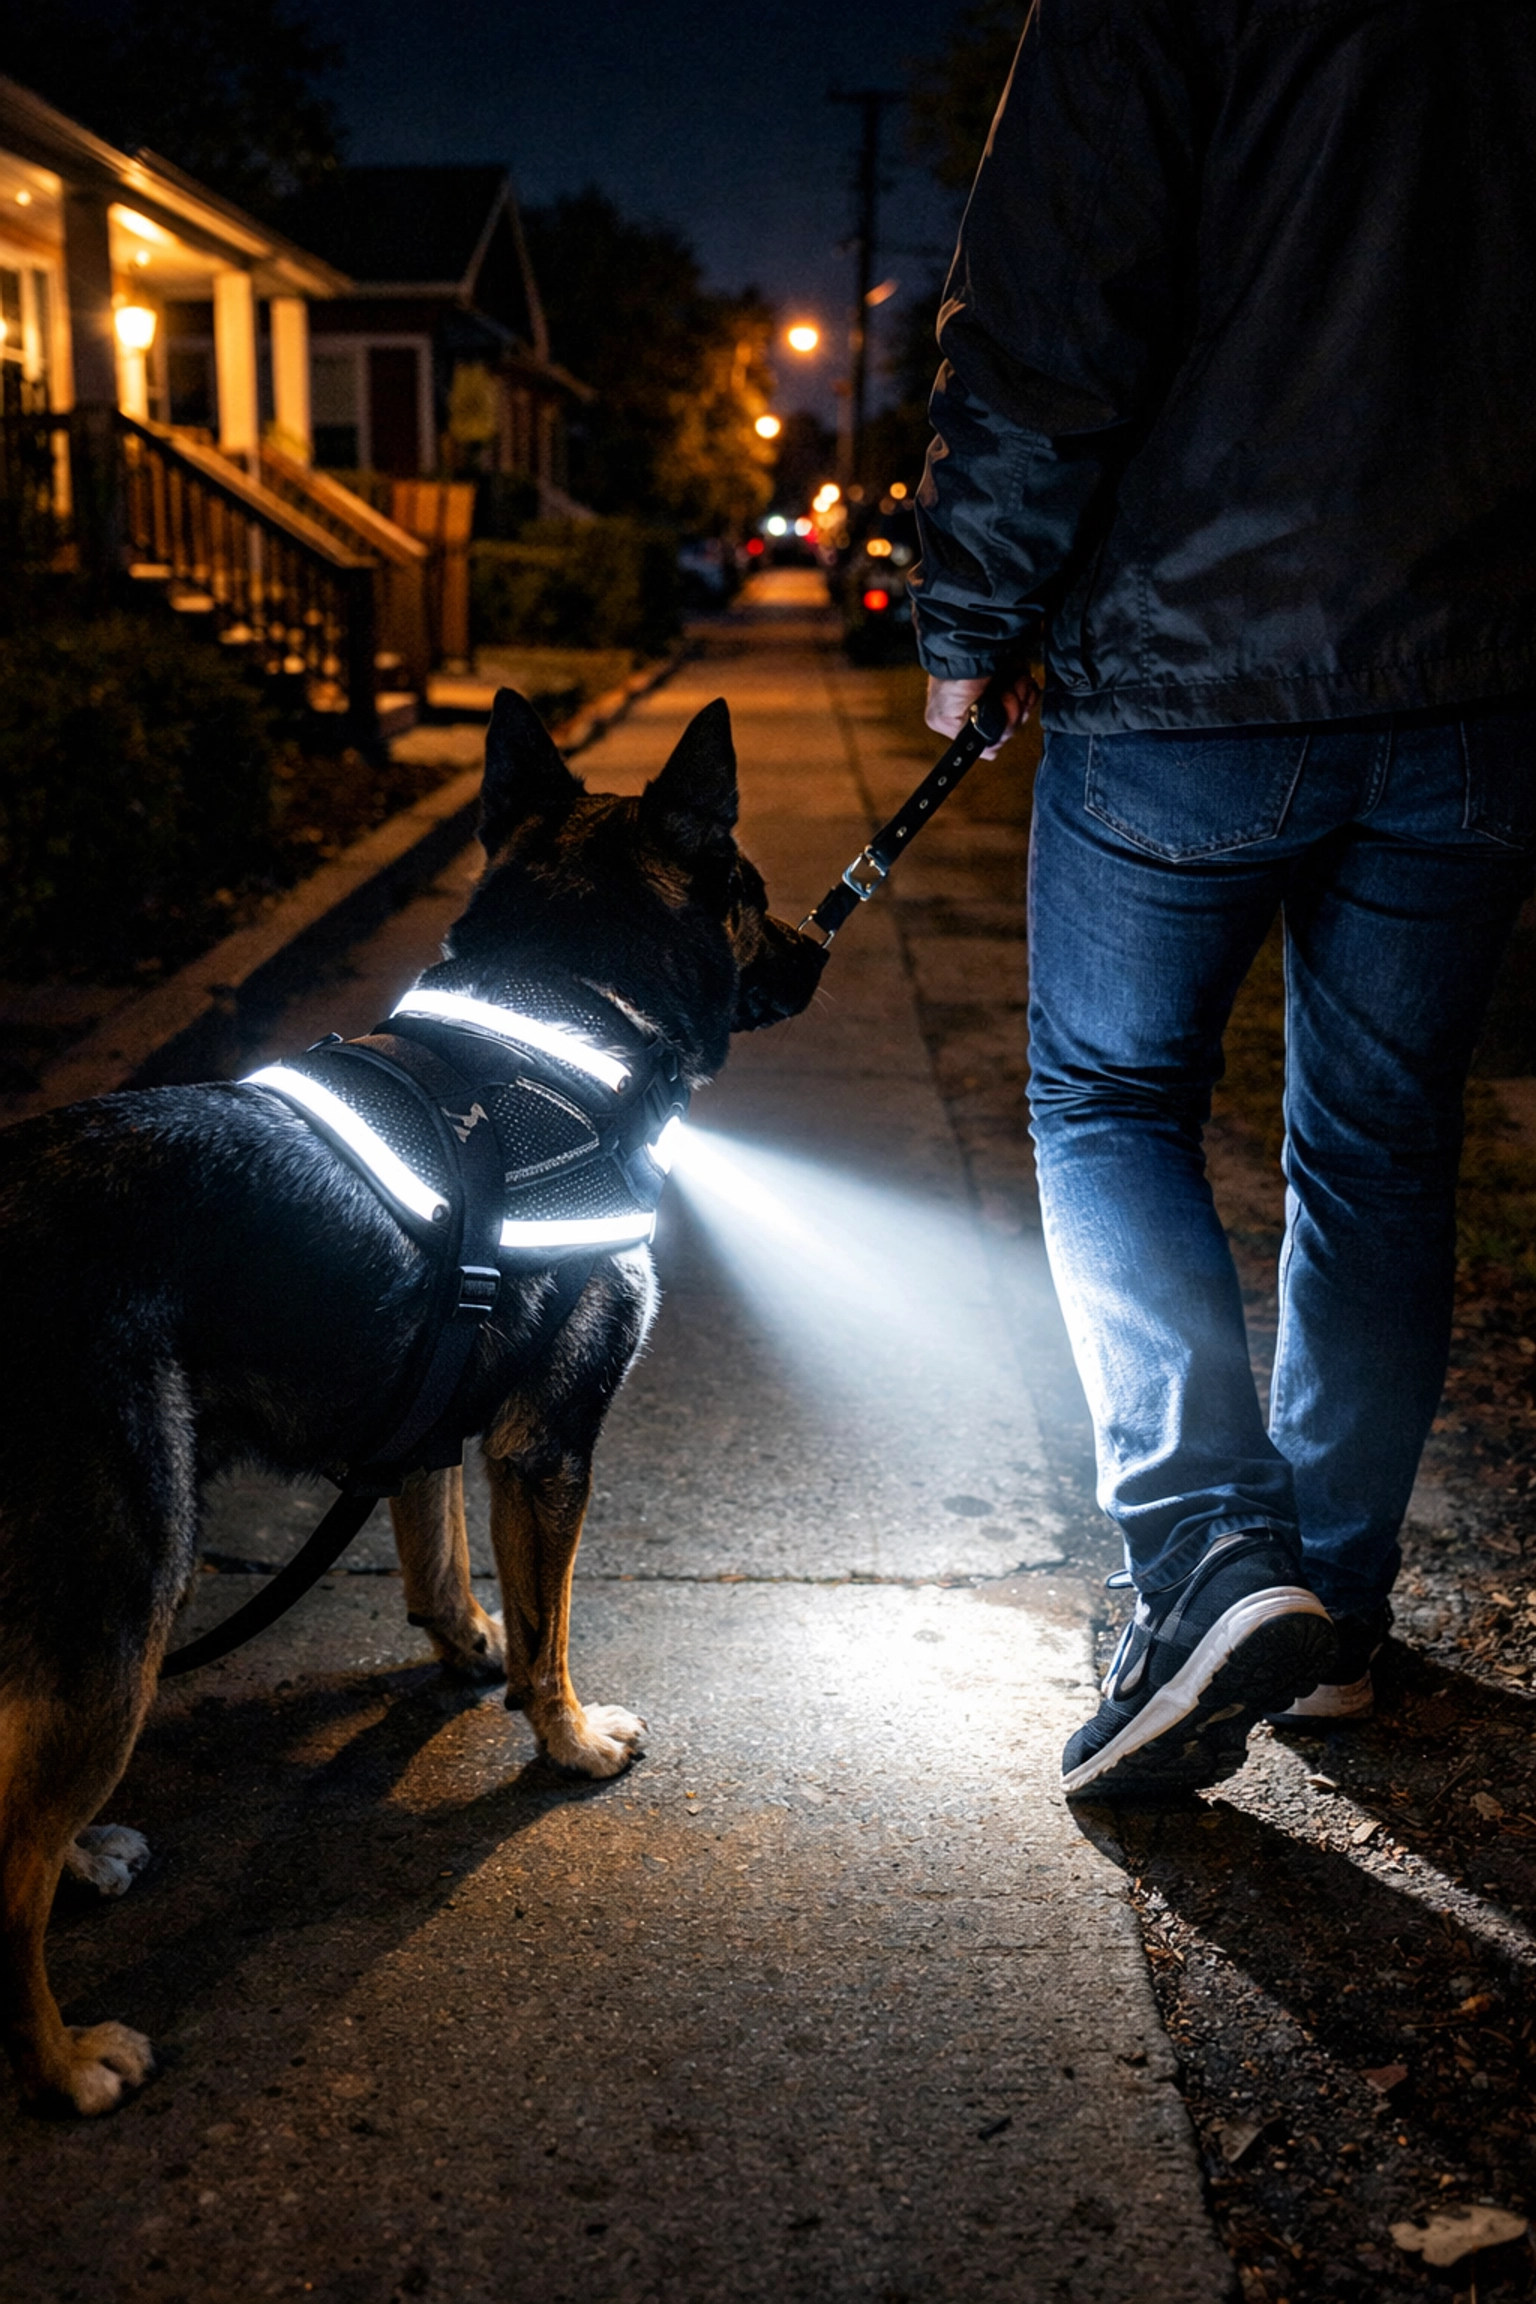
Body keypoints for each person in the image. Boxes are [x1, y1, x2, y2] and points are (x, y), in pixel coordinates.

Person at [912, 0, 1536, 1799]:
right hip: (1481, 667)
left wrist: (973, 614)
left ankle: (1207, 1561)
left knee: (1109, 1102)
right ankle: (1329, 1607)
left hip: (1195, 666)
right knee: (1384, 1144)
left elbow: (1052, 300)